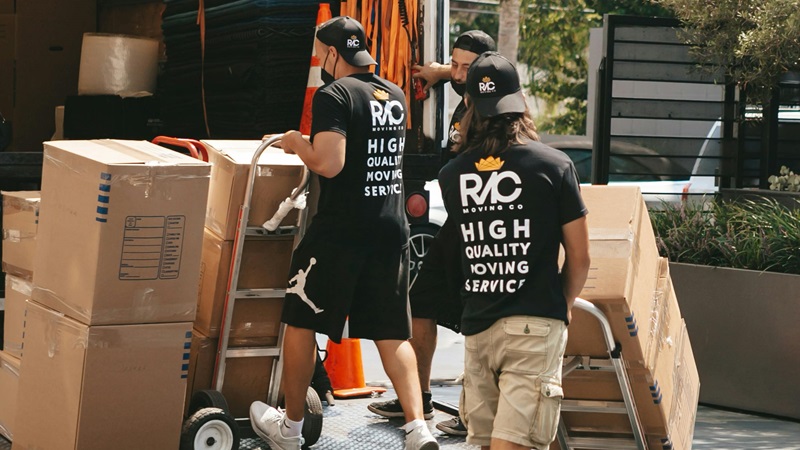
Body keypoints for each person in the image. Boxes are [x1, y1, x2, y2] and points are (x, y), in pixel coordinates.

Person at [249, 16, 439, 450]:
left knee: (300, 321)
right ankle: (417, 429)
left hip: (341, 230)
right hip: (391, 228)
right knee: (393, 333)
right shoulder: (392, 92)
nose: (319, 62)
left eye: (320, 55)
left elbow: (330, 163)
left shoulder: (333, 95)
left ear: (333, 54)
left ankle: (290, 429)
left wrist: (296, 142)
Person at [438, 52, 590, 449]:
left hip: (478, 326)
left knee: (483, 442)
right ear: (519, 102)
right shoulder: (555, 166)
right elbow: (580, 255)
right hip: (535, 322)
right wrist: (564, 300)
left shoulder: (452, 175)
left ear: (469, 104)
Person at [367, 30, 496, 437]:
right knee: (419, 302)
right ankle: (418, 397)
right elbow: (456, 70)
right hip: (455, 227)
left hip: (483, 227)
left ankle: (474, 414)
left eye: (466, 67)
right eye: (454, 64)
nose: (458, 73)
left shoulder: (492, 108)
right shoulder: (465, 90)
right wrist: (440, 70)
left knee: (479, 320)